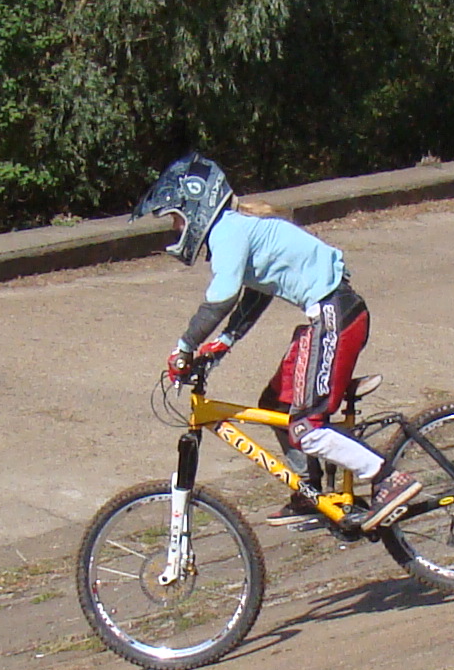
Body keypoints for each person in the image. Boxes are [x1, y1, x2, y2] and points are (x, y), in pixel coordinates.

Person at [137, 155, 424, 529]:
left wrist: (184, 347)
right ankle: (310, 491)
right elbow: (258, 293)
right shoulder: (238, 228)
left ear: (195, 209)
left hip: (334, 318)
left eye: (176, 218)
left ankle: (387, 478)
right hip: (333, 315)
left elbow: (221, 299)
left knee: (306, 429)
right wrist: (224, 342)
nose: (176, 228)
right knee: (276, 403)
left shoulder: (228, 232)